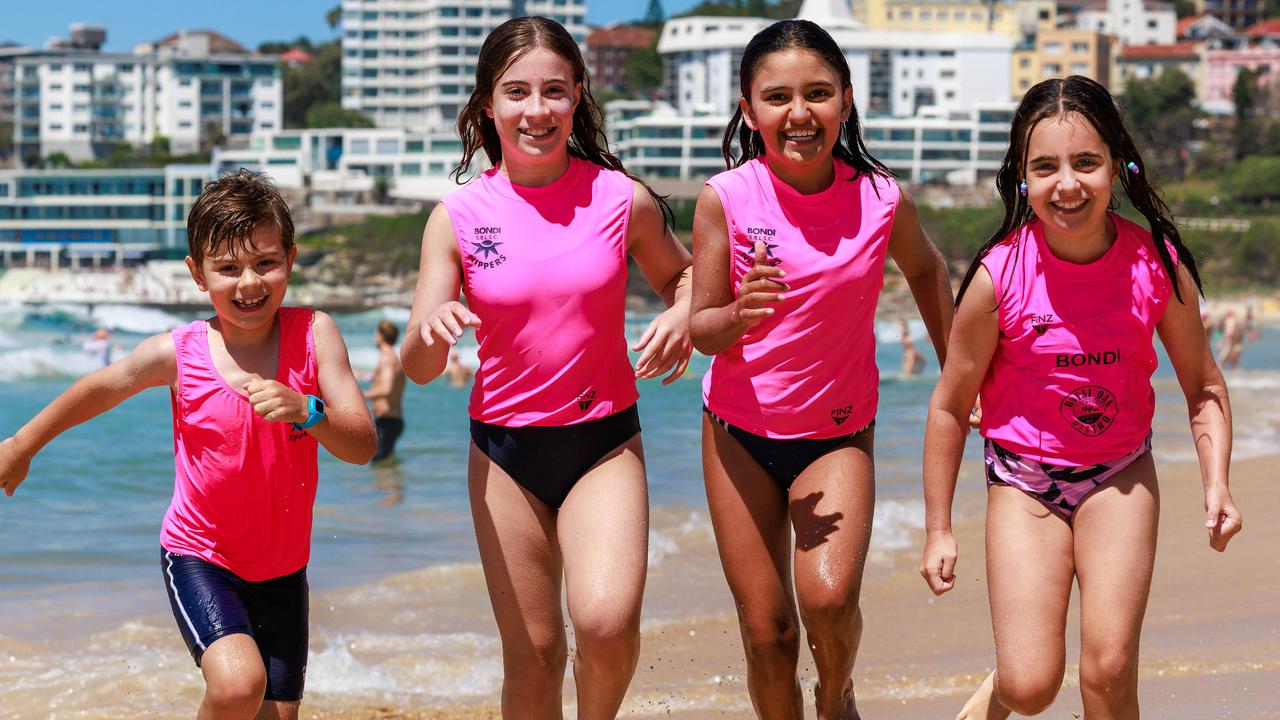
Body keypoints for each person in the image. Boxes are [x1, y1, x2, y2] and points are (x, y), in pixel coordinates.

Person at [918, 76, 1242, 720]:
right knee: (1032, 686)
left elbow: (1203, 384)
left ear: (1117, 167)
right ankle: (1009, 678)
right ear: (1022, 177)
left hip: (1119, 477)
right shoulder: (998, 275)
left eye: (1086, 163)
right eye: (1045, 167)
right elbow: (950, 406)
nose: (1067, 185)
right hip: (1022, 483)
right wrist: (938, 528)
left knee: (1110, 670)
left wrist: (1218, 484)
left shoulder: (1157, 265)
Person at [0, 170, 377, 720]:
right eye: (228, 268)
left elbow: (362, 444)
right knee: (236, 688)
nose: (249, 282)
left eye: (266, 263)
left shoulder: (315, 335)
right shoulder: (179, 353)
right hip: (201, 556)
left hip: (283, 568)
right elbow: (100, 389)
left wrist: (307, 409)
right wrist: (21, 445)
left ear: (291, 259)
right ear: (197, 274)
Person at [399, 17, 693, 719]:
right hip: (504, 453)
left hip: (603, 444)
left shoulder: (620, 199)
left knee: (605, 625)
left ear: (578, 98)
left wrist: (682, 315)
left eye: (554, 91)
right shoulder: (458, 216)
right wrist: (431, 330)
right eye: (517, 92)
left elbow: (685, 281)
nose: (537, 110)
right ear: (488, 106)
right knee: (532, 656)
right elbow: (417, 365)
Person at [688, 20, 953, 719]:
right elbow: (701, 331)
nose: (799, 113)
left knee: (831, 606)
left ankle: (835, 698)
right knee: (767, 636)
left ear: (845, 101)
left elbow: (927, 270)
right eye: (777, 97)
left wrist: (961, 376)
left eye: (817, 94)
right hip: (738, 435)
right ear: (750, 111)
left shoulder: (880, 198)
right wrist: (739, 313)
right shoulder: (726, 198)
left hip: (837, 435)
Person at [364, 319, 407, 462]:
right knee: (384, 466)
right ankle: (391, 484)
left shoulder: (387, 359)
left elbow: (386, 389)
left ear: (380, 335)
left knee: (378, 464)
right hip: (391, 420)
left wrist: (360, 395)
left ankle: (387, 485)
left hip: (387, 421)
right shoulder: (394, 358)